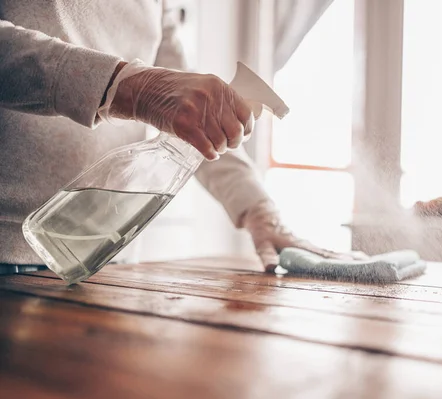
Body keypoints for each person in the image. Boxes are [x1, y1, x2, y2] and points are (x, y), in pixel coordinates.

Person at [0, 1, 365, 274]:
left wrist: (258, 209)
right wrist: (128, 86)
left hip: (107, 259)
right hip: (8, 251)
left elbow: (193, 113)